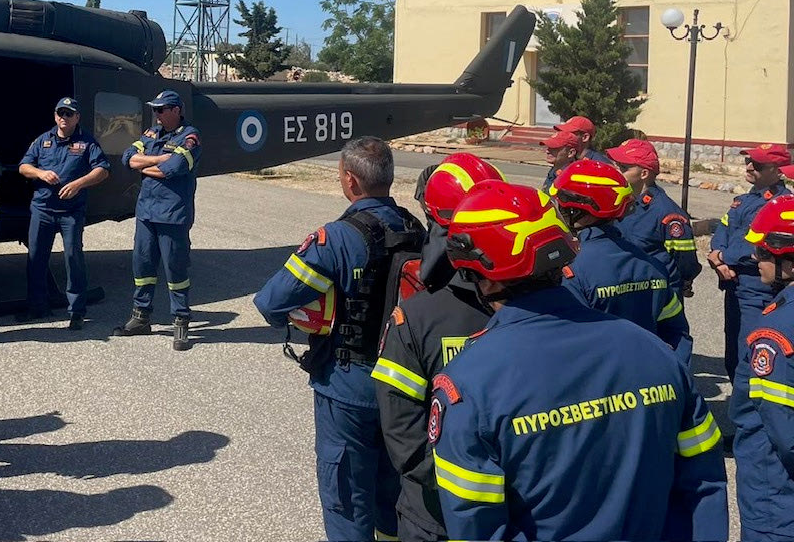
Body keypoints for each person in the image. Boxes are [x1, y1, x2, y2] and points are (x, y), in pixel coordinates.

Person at [431, 179, 728, 541]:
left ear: (488, 281)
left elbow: (474, 523)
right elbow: (703, 485)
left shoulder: (468, 384)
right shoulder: (655, 352)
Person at [254, 136, 415, 542]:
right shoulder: (417, 230)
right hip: (407, 386)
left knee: (347, 500)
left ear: (350, 180)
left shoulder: (337, 238)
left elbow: (271, 302)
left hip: (349, 388)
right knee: (395, 497)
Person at [372, 153, 502, 542]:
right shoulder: (528, 302)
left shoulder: (417, 316)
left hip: (434, 511)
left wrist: (460, 482)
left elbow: (403, 434)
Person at [551, 159, 691, 362]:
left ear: (576, 210)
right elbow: (676, 334)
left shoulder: (570, 271)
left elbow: (563, 346)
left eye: (559, 205)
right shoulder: (653, 266)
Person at [114, 90, 201, 351]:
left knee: (176, 270)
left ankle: (181, 320)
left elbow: (173, 168)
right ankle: (141, 317)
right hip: (146, 212)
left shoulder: (190, 137)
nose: (157, 114)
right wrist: (156, 161)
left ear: (176, 110)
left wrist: (144, 166)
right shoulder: (152, 134)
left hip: (172, 215)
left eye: (161, 110)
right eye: (155, 110)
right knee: (142, 266)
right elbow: (127, 158)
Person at [732, 194, 794, 540]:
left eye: (764, 252)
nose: (755, 258)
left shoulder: (775, 333)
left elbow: (786, 435)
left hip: (777, 498)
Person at [17, 97, 109, 328]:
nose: (64, 118)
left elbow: (102, 170)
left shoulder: (87, 142)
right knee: (36, 258)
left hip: (71, 212)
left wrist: (79, 184)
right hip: (43, 210)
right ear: (55, 115)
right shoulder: (43, 140)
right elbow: (23, 167)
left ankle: (76, 311)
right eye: (61, 113)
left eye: (69, 114)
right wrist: (40, 173)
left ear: (77, 117)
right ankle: (37, 307)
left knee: (72, 258)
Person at [709, 143, 791, 379]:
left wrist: (724, 257)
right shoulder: (743, 200)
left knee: (751, 355)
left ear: (777, 170)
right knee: (733, 351)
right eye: (748, 161)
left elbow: (759, 245)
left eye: (758, 164)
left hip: (758, 288)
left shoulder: (781, 204)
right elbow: (723, 229)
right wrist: (718, 259)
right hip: (733, 283)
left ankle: (747, 401)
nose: (749, 167)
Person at [608, 137, 701, 297]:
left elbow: (685, 261)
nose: (617, 171)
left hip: (657, 295)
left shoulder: (667, 213)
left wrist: (681, 283)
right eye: (617, 165)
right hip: (625, 289)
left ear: (644, 173)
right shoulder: (622, 201)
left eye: (623, 168)